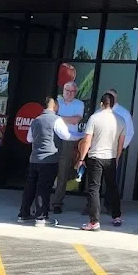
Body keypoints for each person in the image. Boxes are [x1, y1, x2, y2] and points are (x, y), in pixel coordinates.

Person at [17, 96, 72, 226]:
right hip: (49, 159)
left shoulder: (36, 120)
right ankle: (41, 217)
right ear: (55, 106)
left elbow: (29, 139)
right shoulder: (56, 120)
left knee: (30, 187)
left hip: (34, 159)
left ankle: (23, 214)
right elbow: (66, 136)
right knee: (43, 188)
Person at [74, 92, 123, 231]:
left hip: (95, 157)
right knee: (112, 187)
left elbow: (87, 140)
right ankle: (117, 216)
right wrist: (117, 158)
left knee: (94, 189)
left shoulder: (94, 118)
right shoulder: (120, 120)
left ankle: (94, 221)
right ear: (113, 104)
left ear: (101, 104)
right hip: (111, 157)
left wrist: (81, 158)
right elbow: (121, 143)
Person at [50, 81, 86, 214]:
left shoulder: (79, 104)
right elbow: (50, 117)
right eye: (67, 90)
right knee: (48, 169)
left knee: (63, 172)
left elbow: (76, 120)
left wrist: (58, 118)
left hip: (68, 140)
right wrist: (65, 118)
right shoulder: (56, 101)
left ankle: (57, 202)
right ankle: (43, 199)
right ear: (63, 90)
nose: (70, 93)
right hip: (53, 138)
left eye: (72, 91)